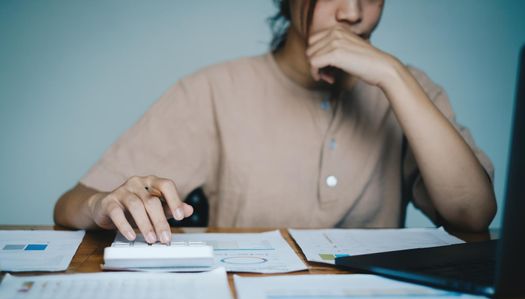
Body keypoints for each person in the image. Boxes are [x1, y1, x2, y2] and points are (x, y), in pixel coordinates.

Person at [54, 0, 496, 245]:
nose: (354, 13)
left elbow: (474, 215)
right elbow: (70, 204)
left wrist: (394, 77)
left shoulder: (409, 88)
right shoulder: (213, 89)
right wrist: (102, 205)